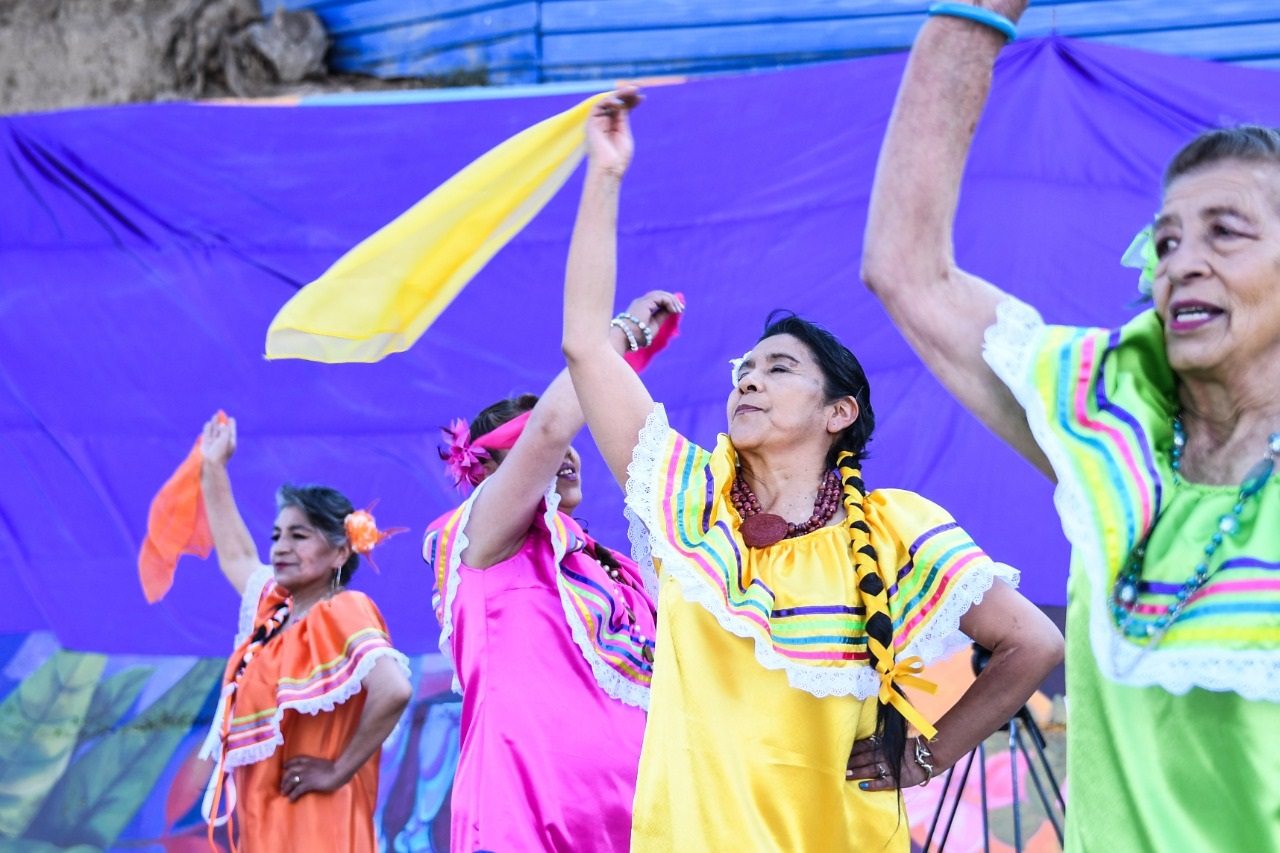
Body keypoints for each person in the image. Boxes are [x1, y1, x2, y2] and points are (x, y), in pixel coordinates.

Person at [559, 91, 1064, 851]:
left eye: (779, 368)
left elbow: (1035, 644)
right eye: (744, 369)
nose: (748, 381)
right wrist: (604, 175)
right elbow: (585, 347)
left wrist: (925, 755)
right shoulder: (687, 499)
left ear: (838, 413)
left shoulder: (895, 530)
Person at [861, 3, 1280, 850]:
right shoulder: (1114, 425)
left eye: (1225, 232)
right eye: (1166, 241)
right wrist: (978, 13)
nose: (1182, 263)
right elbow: (908, 270)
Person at [423, 288, 681, 852]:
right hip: (524, 825)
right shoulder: (481, 544)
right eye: (523, 446)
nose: (563, 450)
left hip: (639, 827)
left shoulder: (615, 568)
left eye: (570, 440)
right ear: (488, 470)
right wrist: (620, 337)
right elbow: (549, 429)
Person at [197, 414, 413, 853]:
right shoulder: (273, 616)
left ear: (340, 551)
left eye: (299, 536)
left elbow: (394, 689)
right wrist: (213, 466)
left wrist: (337, 770)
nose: (280, 547)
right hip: (267, 821)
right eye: (277, 535)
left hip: (318, 819)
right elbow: (236, 555)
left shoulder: (341, 609)